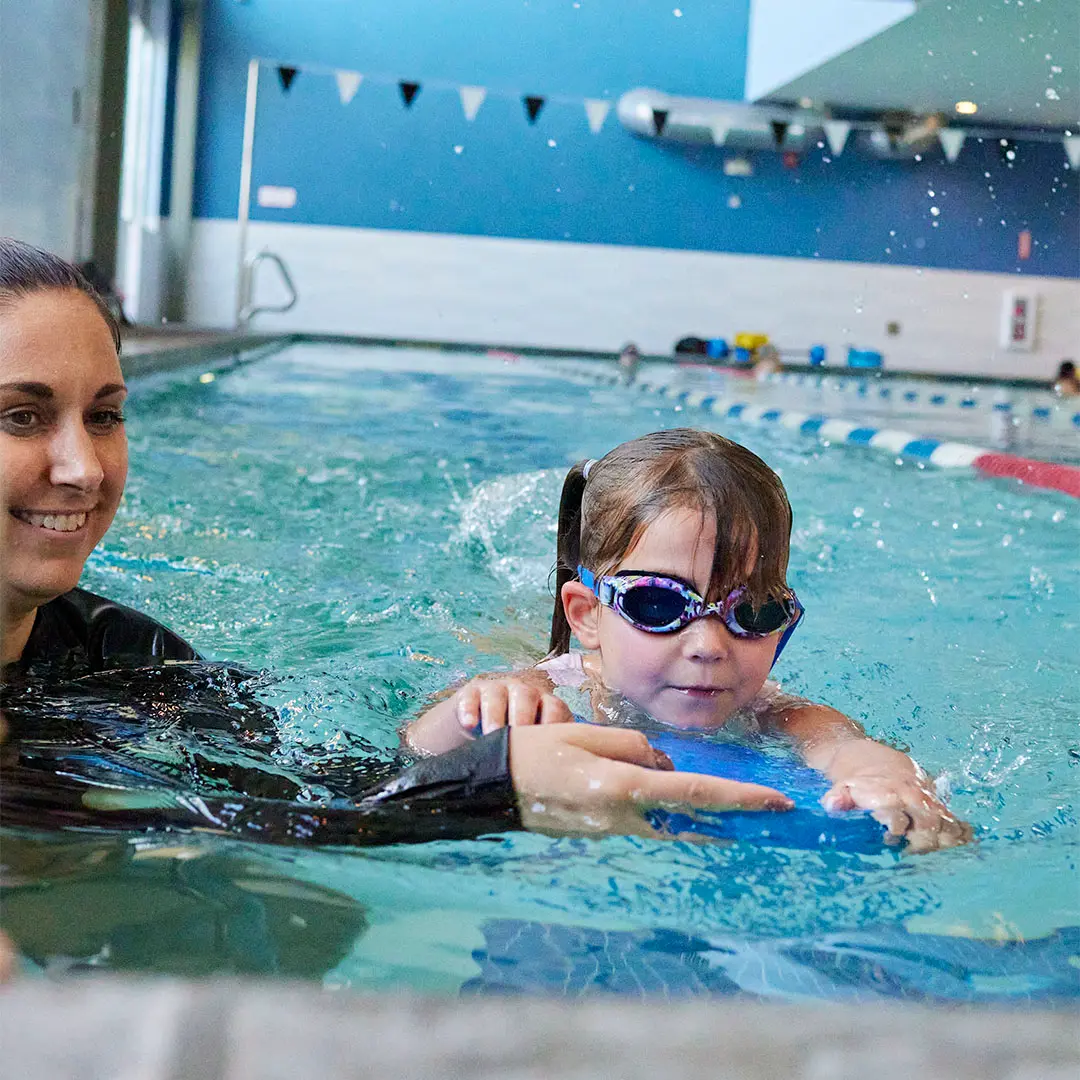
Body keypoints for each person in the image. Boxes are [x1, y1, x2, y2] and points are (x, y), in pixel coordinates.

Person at [0, 237, 792, 852]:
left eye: (104, 416)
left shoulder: (124, 656)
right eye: (21, 417)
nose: (84, 469)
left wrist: (471, 756)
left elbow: (321, 793)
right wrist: (489, 789)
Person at [407, 429, 972, 853]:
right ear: (587, 616)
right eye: (659, 604)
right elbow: (420, 747)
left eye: (752, 611)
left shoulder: (774, 711)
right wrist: (475, 711)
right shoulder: (549, 687)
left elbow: (844, 746)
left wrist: (886, 778)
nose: (709, 645)